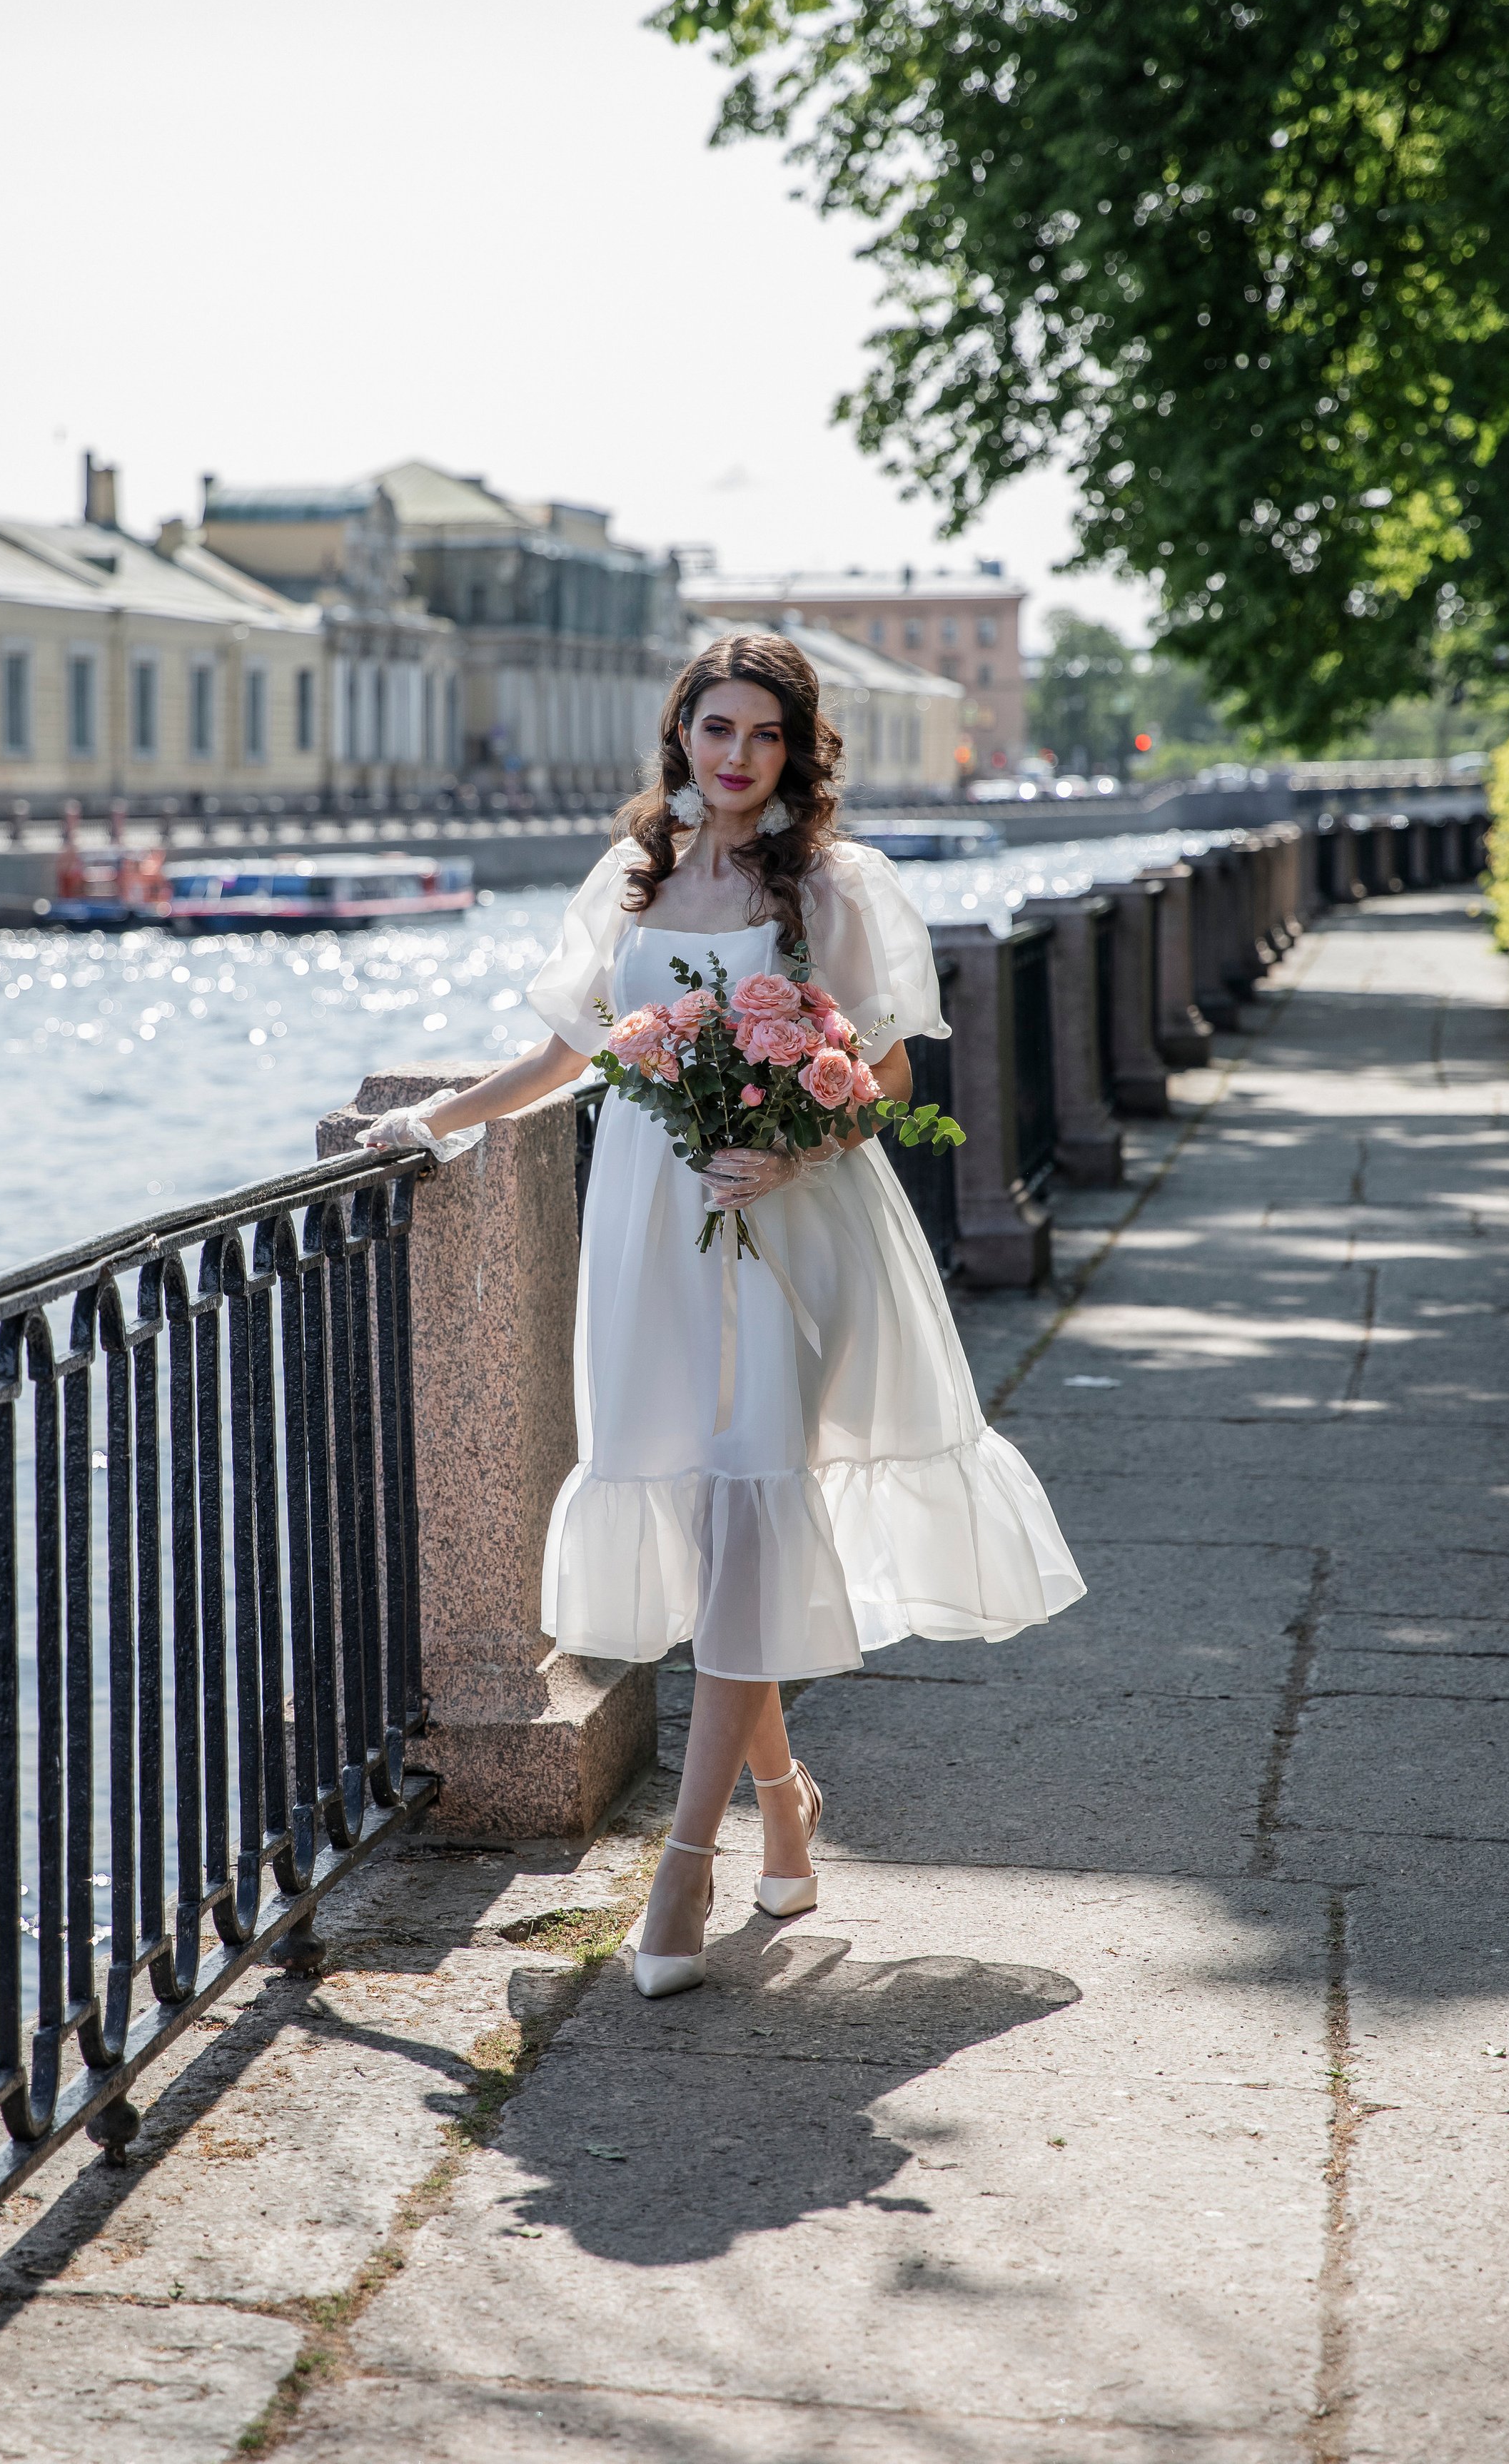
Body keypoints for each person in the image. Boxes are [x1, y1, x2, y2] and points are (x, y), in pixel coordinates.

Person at [362, 632, 1083, 1997]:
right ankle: (786, 1805)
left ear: (795, 748)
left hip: (791, 1229)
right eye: (714, 730)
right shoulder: (630, 879)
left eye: (761, 734)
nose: (735, 756)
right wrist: (438, 1124)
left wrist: (793, 1145)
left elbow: (877, 1071)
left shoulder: (830, 884)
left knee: (756, 1497)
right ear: (681, 737)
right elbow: (574, 1054)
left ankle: (683, 1872)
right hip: (650, 1226)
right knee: (702, 1516)